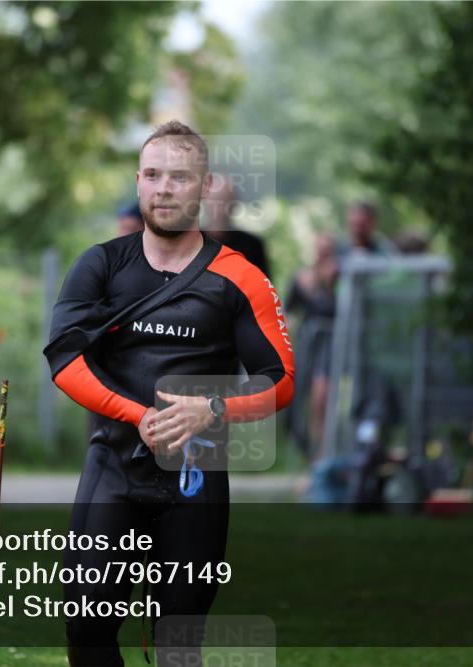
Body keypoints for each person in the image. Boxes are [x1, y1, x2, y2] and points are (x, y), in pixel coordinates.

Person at [44, 120, 294, 666]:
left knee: (179, 644)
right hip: (113, 469)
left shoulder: (239, 276)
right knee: (87, 629)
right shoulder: (101, 264)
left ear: (204, 187)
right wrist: (138, 416)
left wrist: (213, 410)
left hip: (195, 481)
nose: (164, 188)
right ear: (138, 182)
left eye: (179, 177)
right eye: (153, 175)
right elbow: (64, 359)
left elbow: (281, 381)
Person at [285, 233, 338, 458]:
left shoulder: (341, 280)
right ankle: (307, 450)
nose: (322, 256)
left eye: (327, 251)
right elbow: (287, 312)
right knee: (296, 398)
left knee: (321, 396)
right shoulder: (301, 279)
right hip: (307, 344)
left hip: (331, 346)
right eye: (319, 250)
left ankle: (322, 453)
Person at [201, 174, 271, 278]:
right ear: (205, 202)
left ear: (234, 204)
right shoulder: (190, 241)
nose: (219, 206)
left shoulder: (252, 245)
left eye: (224, 200)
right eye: (215, 200)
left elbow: (263, 286)